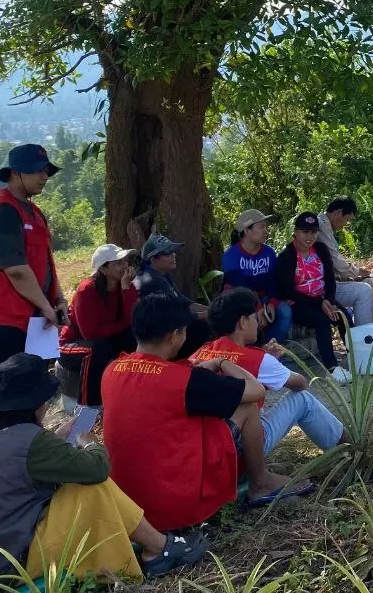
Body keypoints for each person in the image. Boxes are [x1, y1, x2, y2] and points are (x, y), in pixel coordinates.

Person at [0, 354, 207, 579]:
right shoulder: (32, 441)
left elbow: (20, 464)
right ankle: (159, 548)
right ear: (39, 404)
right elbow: (97, 469)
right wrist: (89, 443)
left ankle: (157, 545)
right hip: (8, 560)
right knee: (93, 488)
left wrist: (55, 439)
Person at [101, 294, 310, 531]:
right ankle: (260, 482)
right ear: (174, 335)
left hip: (126, 500)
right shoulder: (185, 380)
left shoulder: (112, 369)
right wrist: (223, 363)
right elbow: (257, 391)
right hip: (170, 500)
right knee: (248, 407)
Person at [0, 144, 67, 421]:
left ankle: (25, 436)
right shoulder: (2, 211)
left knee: (32, 383)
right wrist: (47, 307)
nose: (44, 177)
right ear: (15, 173)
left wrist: (58, 299)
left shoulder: (33, 211)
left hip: (34, 315)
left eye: (46, 171)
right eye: (37, 171)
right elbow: (16, 270)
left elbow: (45, 263)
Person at [193, 288, 345, 476]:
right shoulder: (257, 359)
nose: (258, 322)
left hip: (207, 447)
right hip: (242, 447)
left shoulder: (202, 352)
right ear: (242, 322)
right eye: (254, 317)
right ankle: (345, 447)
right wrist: (271, 364)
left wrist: (267, 361)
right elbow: (300, 383)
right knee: (303, 399)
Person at [275, 213, 353, 384]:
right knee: (321, 321)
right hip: (298, 303)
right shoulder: (287, 257)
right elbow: (288, 291)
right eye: (305, 232)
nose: (309, 236)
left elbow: (330, 279)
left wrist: (329, 301)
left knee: (343, 316)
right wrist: (320, 303)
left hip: (322, 298)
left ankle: (357, 357)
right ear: (295, 232)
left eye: (313, 232)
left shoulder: (321, 249)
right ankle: (332, 368)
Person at [58, 244, 140, 406]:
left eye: (125, 261)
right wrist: (122, 325)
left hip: (106, 338)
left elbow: (132, 319)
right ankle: (90, 405)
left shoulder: (124, 284)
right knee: (97, 348)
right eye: (118, 263)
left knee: (134, 337)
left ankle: (132, 391)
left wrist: (126, 289)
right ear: (103, 269)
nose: (124, 266)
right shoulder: (87, 290)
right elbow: (89, 333)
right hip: (72, 344)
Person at [135, 233, 212, 358]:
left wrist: (210, 309)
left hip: (166, 326)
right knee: (201, 329)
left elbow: (182, 301)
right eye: (168, 253)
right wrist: (206, 314)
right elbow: (174, 314)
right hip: (156, 335)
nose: (173, 255)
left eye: (173, 251)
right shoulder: (152, 281)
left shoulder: (162, 274)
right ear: (154, 259)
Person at [221, 209, 292, 344]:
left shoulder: (269, 253)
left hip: (264, 298)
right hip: (240, 300)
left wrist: (272, 302)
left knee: (285, 312)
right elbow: (239, 286)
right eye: (261, 227)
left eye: (266, 227)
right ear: (246, 231)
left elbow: (274, 280)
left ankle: (270, 349)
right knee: (248, 318)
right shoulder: (231, 255)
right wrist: (258, 307)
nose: (266, 231)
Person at [317, 197, 373, 326]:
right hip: (320, 287)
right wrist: (356, 272)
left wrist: (353, 273)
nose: (346, 224)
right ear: (338, 213)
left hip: (329, 280)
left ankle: (371, 328)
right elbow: (335, 261)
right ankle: (364, 335)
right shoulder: (321, 226)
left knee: (368, 281)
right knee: (364, 291)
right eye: (347, 219)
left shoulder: (326, 225)